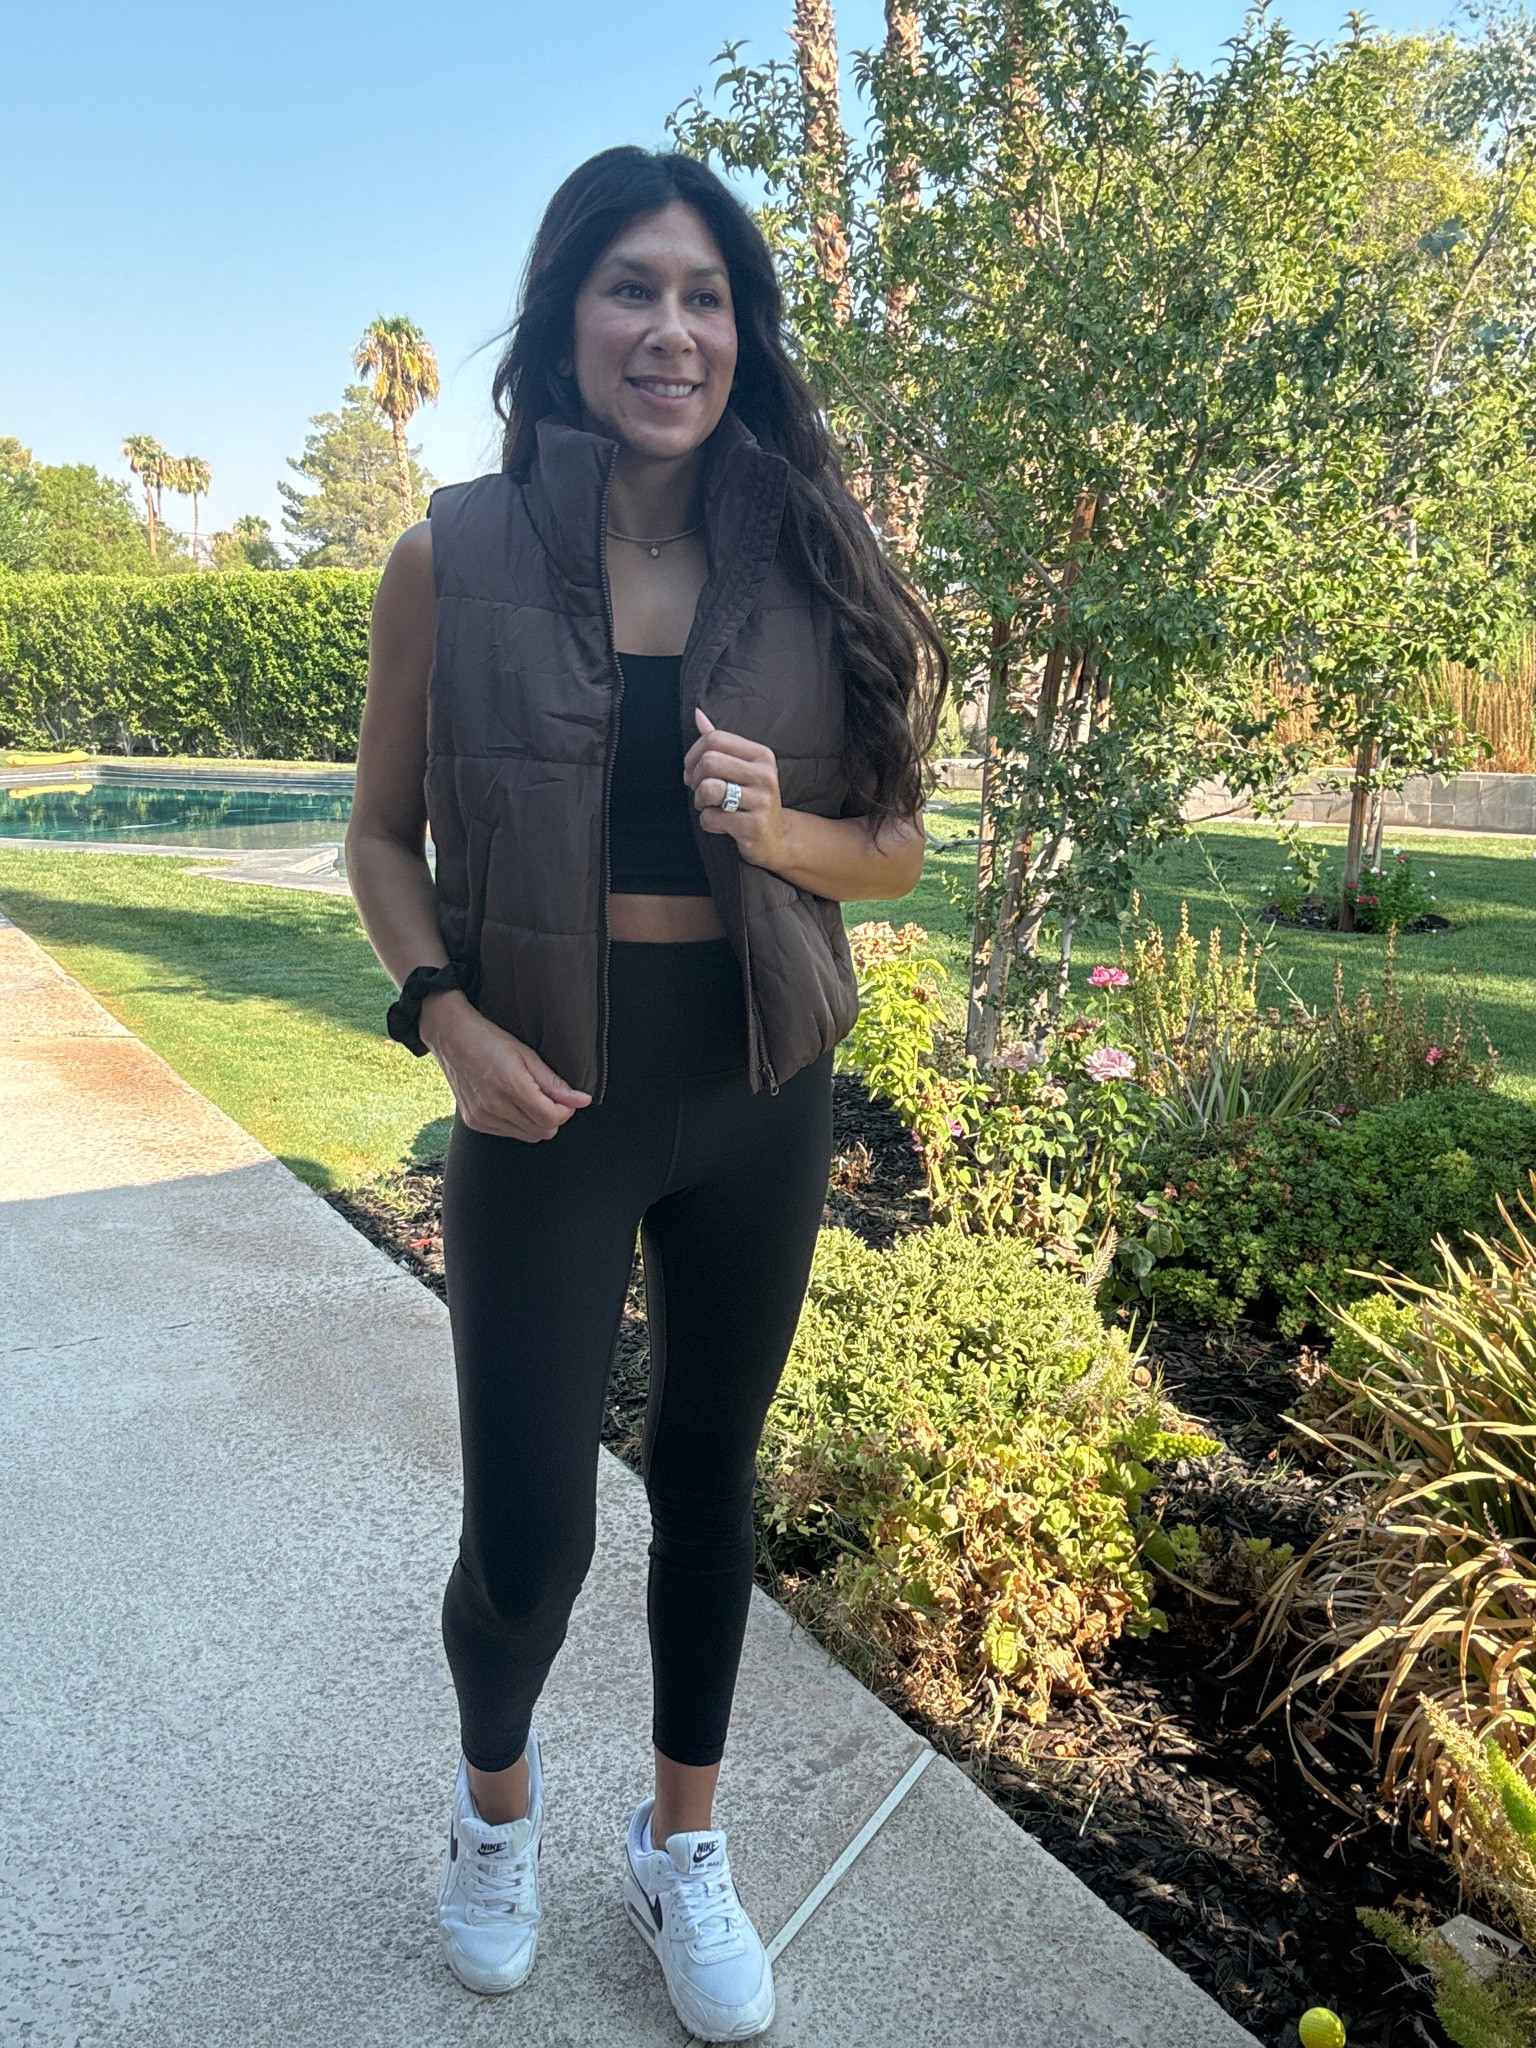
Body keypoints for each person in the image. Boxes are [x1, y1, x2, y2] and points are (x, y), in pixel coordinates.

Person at [345, 144, 944, 2042]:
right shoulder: (451, 545)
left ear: (742, 332)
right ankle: (493, 1818)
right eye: (632, 289)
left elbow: (900, 851)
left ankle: (682, 1843)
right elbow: (376, 840)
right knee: (531, 1532)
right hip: (541, 1105)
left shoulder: (818, 546)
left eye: (705, 295)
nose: (670, 330)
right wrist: (438, 1014)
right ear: (566, 318)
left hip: (757, 1091)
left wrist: (788, 826)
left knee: (708, 1484)